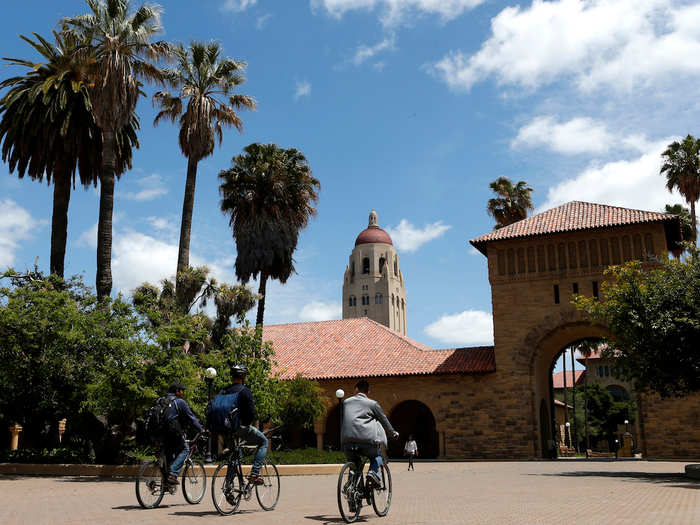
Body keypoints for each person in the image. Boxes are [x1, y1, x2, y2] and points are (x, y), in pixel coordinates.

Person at [341, 379, 398, 486]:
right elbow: (384, 420)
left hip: (347, 441)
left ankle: (351, 488)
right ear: (368, 392)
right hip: (367, 441)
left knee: (354, 464)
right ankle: (373, 474)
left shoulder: (346, 402)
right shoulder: (372, 404)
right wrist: (393, 433)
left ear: (356, 390)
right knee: (376, 456)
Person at [220, 364, 268, 485]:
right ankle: (254, 474)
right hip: (240, 428)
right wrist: (247, 424)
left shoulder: (224, 391)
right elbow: (251, 413)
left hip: (225, 429)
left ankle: (229, 487)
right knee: (263, 442)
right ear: (243, 376)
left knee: (235, 456)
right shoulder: (245, 391)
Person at [165, 381, 205, 485]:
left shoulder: (161, 400)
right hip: (172, 433)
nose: (183, 393)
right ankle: (172, 474)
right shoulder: (179, 402)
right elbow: (191, 418)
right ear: (177, 391)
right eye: (182, 390)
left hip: (159, 433)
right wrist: (201, 429)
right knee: (185, 449)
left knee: (169, 452)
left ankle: (165, 480)